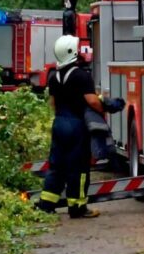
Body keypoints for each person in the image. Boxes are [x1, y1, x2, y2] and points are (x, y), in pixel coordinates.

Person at [38, 35, 105, 218]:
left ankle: (47, 205)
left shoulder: (54, 77)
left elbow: (52, 103)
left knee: (56, 165)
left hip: (59, 123)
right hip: (76, 125)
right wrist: (103, 107)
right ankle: (77, 207)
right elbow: (92, 100)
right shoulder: (82, 76)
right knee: (79, 166)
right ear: (73, 52)